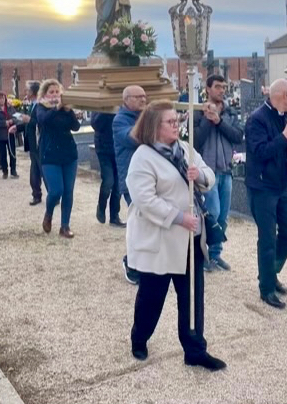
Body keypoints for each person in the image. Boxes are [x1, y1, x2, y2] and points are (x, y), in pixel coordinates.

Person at [126, 100, 225, 371]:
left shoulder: (184, 147)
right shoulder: (143, 157)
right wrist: (179, 218)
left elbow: (209, 175)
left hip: (190, 238)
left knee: (193, 297)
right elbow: (144, 199)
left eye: (176, 120)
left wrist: (200, 175)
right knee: (152, 297)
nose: (177, 125)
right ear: (153, 127)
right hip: (160, 239)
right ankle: (140, 337)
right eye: (170, 122)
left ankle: (195, 349)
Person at [245, 79, 287, 310]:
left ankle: (269, 271)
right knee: (267, 238)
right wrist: (285, 136)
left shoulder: (284, 117)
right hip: (262, 187)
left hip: (281, 184)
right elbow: (260, 152)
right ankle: (266, 287)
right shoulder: (257, 119)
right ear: (283, 95)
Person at [193, 74, 244, 272]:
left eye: (224, 87)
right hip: (208, 171)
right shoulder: (198, 112)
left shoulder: (230, 112)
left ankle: (216, 254)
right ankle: (202, 255)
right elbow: (196, 140)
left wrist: (219, 120)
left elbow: (237, 136)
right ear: (207, 89)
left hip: (226, 170)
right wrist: (208, 119)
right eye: (217, 87)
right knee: (211, 213)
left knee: (223, 216)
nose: (222, 90)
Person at [36, 79, 80, 238]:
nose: (55, 95)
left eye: (57, 91)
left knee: (68, 191)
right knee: (56, 190)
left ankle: (65, 226)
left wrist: (68, 110)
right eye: (51, 92)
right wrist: (56, 108)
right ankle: (48, 213)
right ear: (45, 94)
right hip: (50, 154)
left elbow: (76, 127)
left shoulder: (66, 109)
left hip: (69, 154)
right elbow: (43, 120)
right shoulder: (41, 107)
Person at [113, 85, 147, 284]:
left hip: (148, 178)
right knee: (138, 225)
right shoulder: (120, 120)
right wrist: (150, 122)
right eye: (138, 97)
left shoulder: (143, 116)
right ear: (126, 100)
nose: (143, 100)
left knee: (147, 224)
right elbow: (134, 138)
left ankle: (144, 264)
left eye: (144, 96)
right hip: (132, 180)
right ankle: (131, 264)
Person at [91, 110, 124, 226]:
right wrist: (107, 111)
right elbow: (95, 124)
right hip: (103, 148)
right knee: (108, 181)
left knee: (118, 185)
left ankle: (114, 216)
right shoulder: (100, 107)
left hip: (119, 147)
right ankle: (101, 206)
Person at [0, 91, 19, 179]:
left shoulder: (10, 107)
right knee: (3, 154)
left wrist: (12, 121)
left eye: (3, 98)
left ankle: (13, 170)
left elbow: (16, 117)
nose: (1, 100)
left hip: (10, 133)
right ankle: (5, 171)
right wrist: (3, 123)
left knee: (12, 153)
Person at [23, 81, 43, 205]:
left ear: (33, 92)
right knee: (34, 170)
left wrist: (30, 120)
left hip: (39, 142)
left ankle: (54, 194)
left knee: (43, 170)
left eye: (28, 90)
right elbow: (30, 123)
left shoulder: (41, 105)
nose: (26, 92)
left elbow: (41, 122)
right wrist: (18, 126)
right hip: (32, 143)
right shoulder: (32, 105)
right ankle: (36, 194)